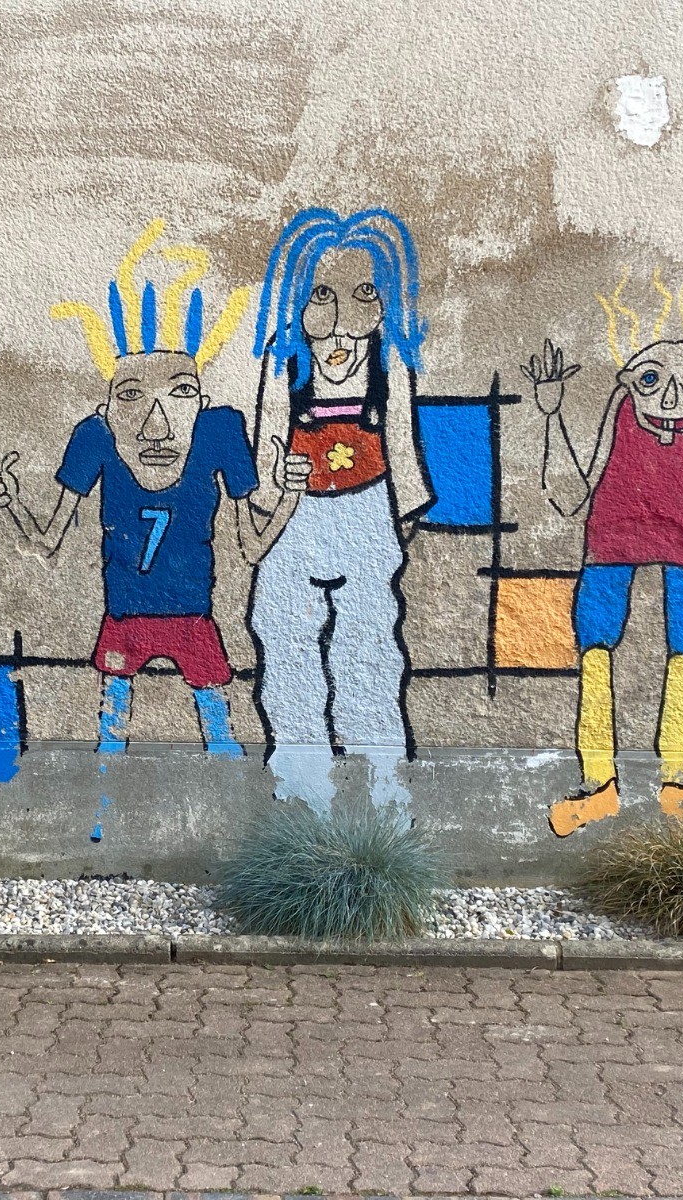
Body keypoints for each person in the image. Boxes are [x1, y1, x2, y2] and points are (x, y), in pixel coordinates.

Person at [0, 220, 309, 753]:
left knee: (220, 735)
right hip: (124, 618)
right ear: (108, 412)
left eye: (180, 393)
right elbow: (45, 540)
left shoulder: (219, 435)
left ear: (201, 406)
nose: (156, 427)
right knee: (112, 734)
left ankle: (225, 788)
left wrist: (291, 492)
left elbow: (251, 545)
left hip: (194, 618)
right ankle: (106, 789)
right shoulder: (96, 439)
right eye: (131, 396)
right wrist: (12, 501)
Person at [529, 338, 683, 836]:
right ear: (629, 385)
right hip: (613, 538)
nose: (671, 399)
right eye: (651, 380)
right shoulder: (620, 414)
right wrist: (551, 414)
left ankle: (677, 779)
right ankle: (599, 782)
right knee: (596, 642)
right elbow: (570, 496)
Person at [248, 207, 430, 820]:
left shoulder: (389, 360)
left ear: (383, 301)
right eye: (322, 295)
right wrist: (275, 488)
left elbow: (401, 440)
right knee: (284, 634)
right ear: (298, 298)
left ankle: (382, 774)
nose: (340, 320)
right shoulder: (284, 357)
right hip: (298, 515)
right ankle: (301, 780)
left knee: (370, 642)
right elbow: (269, 441)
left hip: (367, 507)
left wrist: (398, 520)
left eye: (364, 295)